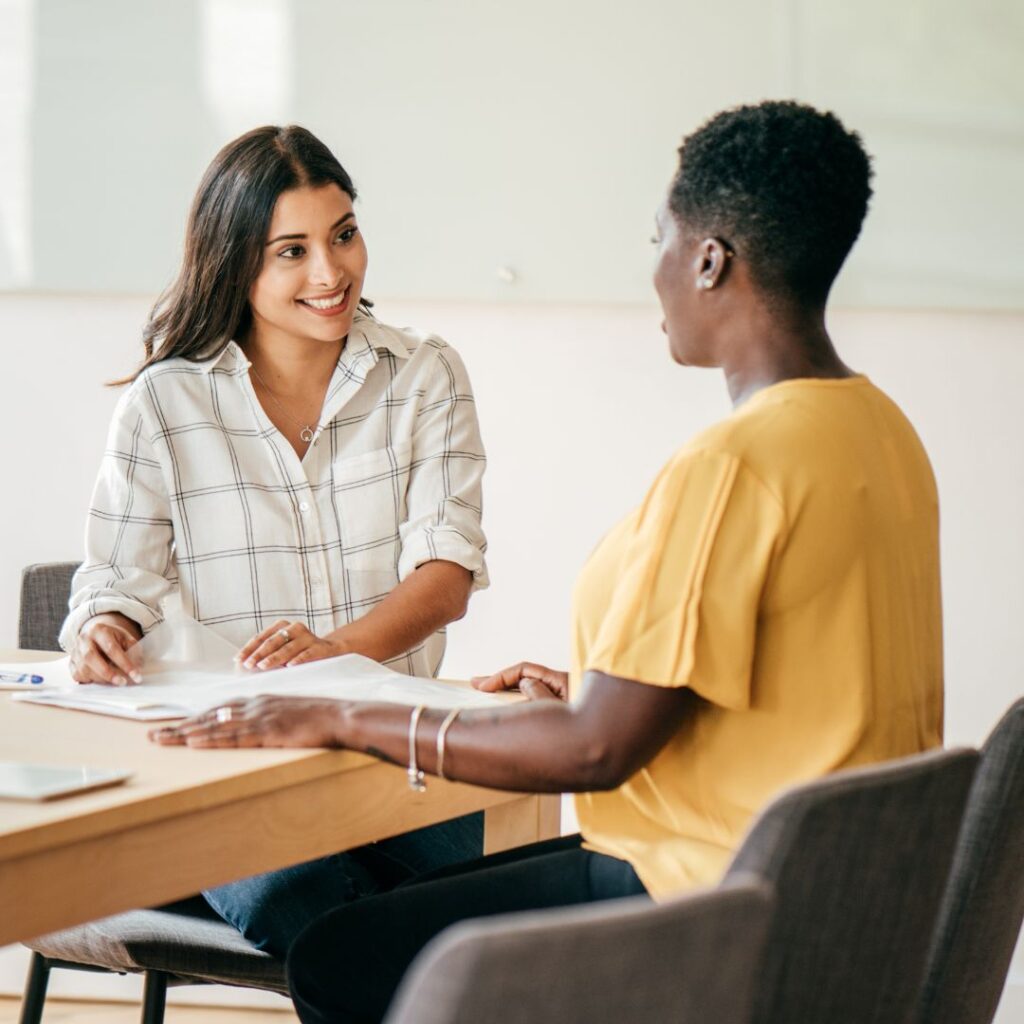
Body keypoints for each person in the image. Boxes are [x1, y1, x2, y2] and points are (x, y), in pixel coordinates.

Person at [153, 100, 944, 1024]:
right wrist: (592, 690)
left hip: (705, 900)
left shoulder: (732, 469)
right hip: (835, 902)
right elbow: (795, 690)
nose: (654, 270)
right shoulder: (879, 431)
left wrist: (340, 711)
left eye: (661, 238)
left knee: (341, 956)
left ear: (709, 260)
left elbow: (597, 751)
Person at [62, 125, 489, 955]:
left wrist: (327, 658)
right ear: (235, 263)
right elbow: (113, 580)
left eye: (343, 234)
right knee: (317, 908)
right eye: (290, 251)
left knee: (501, 892)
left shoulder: (424, 374)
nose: (331, 273)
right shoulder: (163, 404)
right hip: (233, 781)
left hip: (397, 769)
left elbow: (445, 576)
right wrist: (104, 629)